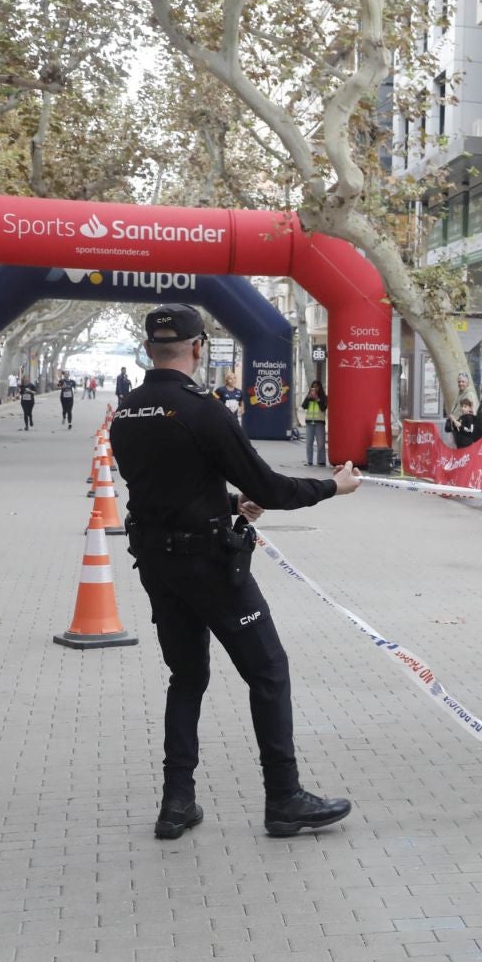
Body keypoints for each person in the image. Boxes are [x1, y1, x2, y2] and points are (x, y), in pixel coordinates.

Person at [111, 303, 359, 841]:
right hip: (210, 567)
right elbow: (271, 488)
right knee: (268, 671)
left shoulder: (126, 411)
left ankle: (177, 802)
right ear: (199, 347)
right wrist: (332, 487)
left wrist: (225, 503)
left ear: (150, 349)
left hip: (158, 565)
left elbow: (165, 489)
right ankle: (284, 798)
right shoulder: (204, 411)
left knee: (187, 677)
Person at [302, 380, 329, 466]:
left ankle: (321, 461)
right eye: (313, 387)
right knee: (309, 443)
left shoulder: (324, 397)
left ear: (320, 387)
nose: (315, 389)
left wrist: (317, 399)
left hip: (319, 422)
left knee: (321, 443)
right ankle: (309, 461)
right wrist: (308, 397)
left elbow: (323, 408)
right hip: (309, 422)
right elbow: (303, 406)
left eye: (317, 387)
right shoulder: (309, 397)